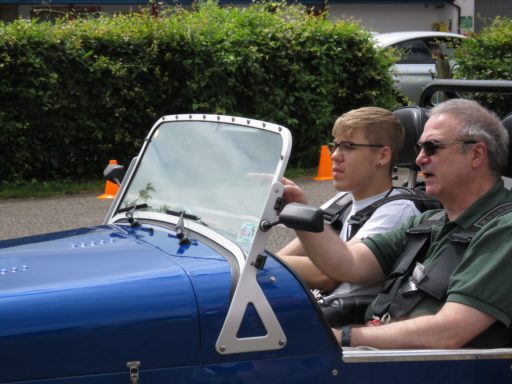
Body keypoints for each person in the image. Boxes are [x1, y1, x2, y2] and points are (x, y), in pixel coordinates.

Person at [282, 98, 512, 349]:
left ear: (476, 154)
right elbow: (347, 263)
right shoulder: (427, 223)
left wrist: (343, 338)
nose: (419, 160)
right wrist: (298, 209)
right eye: (420, 148)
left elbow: (449, 330)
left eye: (432, 147)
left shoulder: (503, 230)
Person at [278, 106, 421, 325]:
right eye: (336, 145)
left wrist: (258, 261)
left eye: (349, 147)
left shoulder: (398, 209)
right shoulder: (343, 200)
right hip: (318, 311)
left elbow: (329, 274)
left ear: (382, 156)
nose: (335, 155)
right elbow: (290, 252)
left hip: (343, 325)